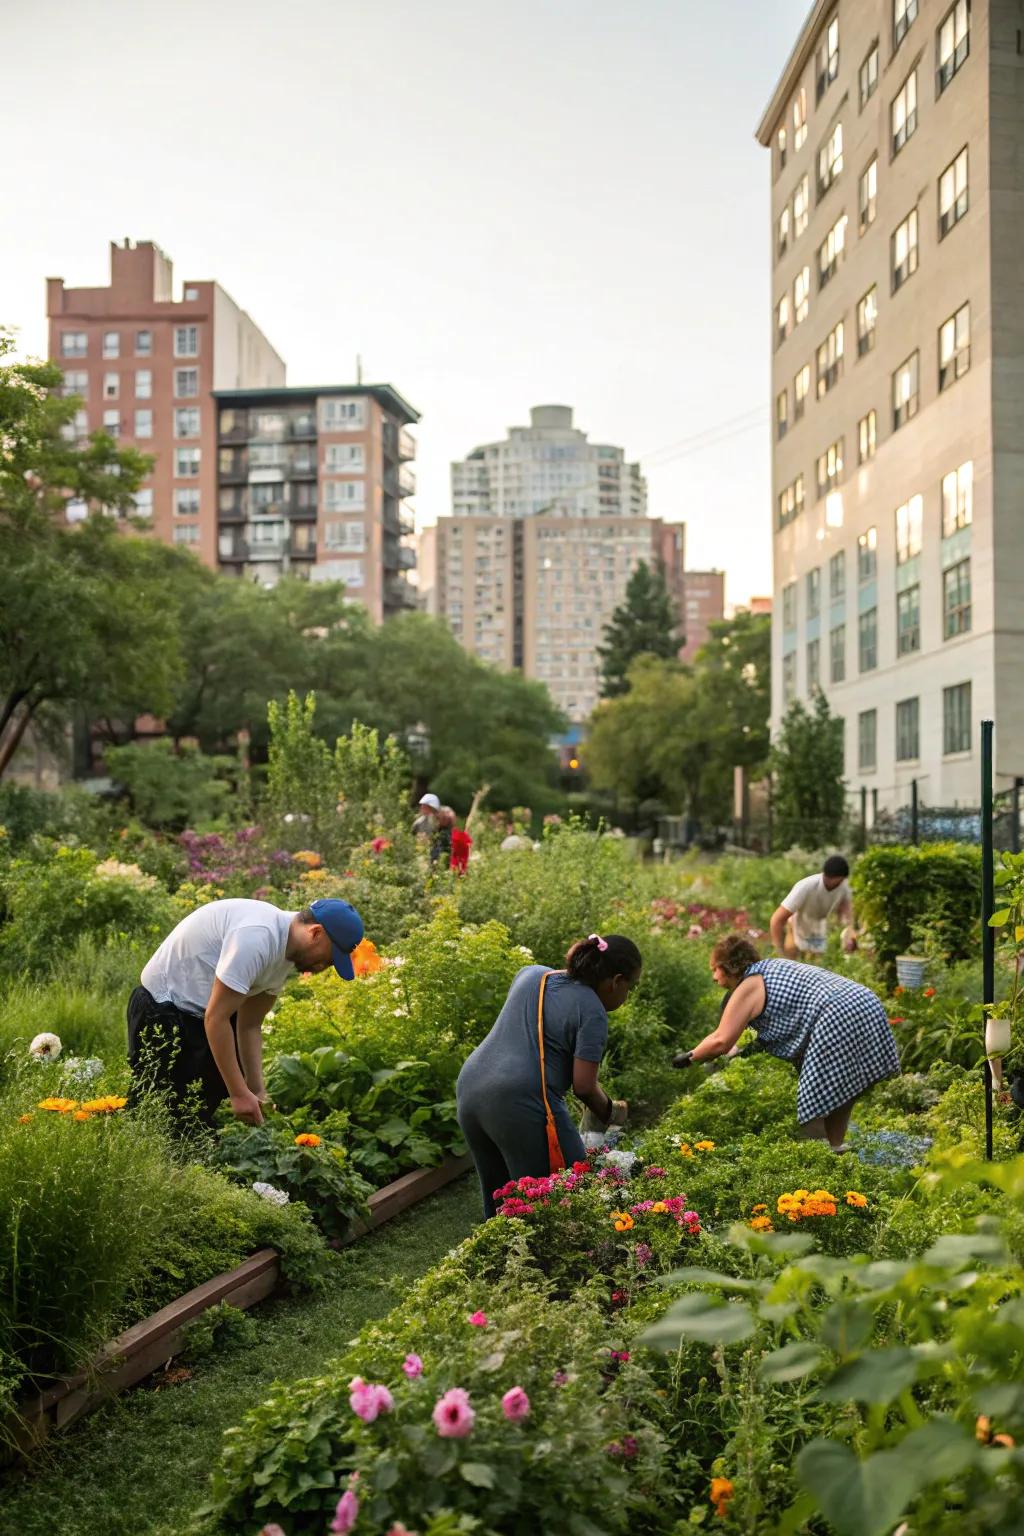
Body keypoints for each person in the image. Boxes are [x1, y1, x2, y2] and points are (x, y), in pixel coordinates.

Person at [128, 897, 363, 1127]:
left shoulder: (288, 952)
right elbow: (217, 1017)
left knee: (207, 1103)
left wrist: (255, 1089)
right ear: (316, 933)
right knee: (158, 1112)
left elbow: (249, 1024)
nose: (323, 967)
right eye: (329, 959)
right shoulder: (257, 937)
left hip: (204, 1013)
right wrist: (239, 1094)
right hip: (163, 1010)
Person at [457, 934, 639, 1217]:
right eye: (631, 988)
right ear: (616, 981)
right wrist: (611, 1113)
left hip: (470, 1088)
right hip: (519, 1099)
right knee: (567, 1194)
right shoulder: (593, 1011)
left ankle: (501, 1258)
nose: (627, 997)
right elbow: (584, 1086)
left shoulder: (535, 974)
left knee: (502, 1201)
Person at [674, 934, 899, 1150]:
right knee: (841, 1093)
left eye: (715, 969)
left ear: (729, 966)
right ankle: (836, 1149)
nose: (714, 978)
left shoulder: (750, 984)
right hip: (865, 1002)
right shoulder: (771, 968)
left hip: (836, 1013)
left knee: (813, 1105)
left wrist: (690, 1056)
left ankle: (821, 1162)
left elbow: (721, 1040)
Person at [770, 854, 854, 959]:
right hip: (798, 924)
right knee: (792, 962)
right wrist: (778, 951)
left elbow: (846, 910)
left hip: (819, 927)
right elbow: (776, 919)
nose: (828, 881)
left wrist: (848, 930)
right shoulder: (805, 886)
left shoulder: (844, 887)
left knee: (816, 965)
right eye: (827, 877)